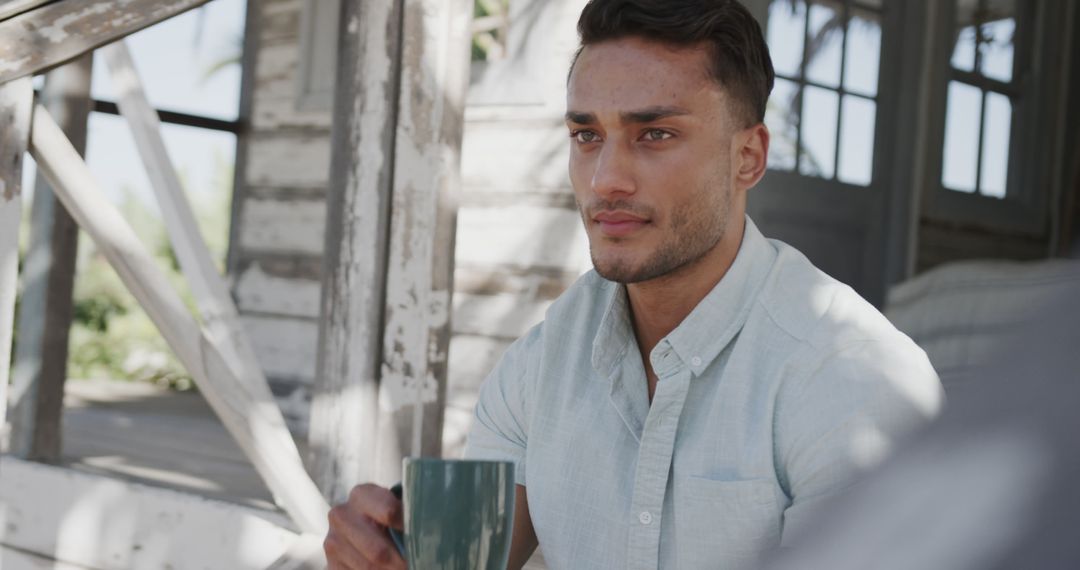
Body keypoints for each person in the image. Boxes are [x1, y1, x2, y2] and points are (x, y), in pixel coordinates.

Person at [324, 1, 943, 568]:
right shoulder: (545, 363)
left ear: (747, 157)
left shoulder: (852, 383)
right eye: (587, 135)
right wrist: (386, 550)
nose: (605, 179)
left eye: (655, 134)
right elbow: (465, 561)